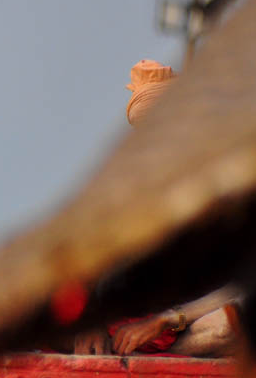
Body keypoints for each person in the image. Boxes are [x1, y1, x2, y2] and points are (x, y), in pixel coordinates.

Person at [73, 60, 241, 357]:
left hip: (190, 326)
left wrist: (166, 321)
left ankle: (150, 362)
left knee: (228, 324)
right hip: (120, 326)